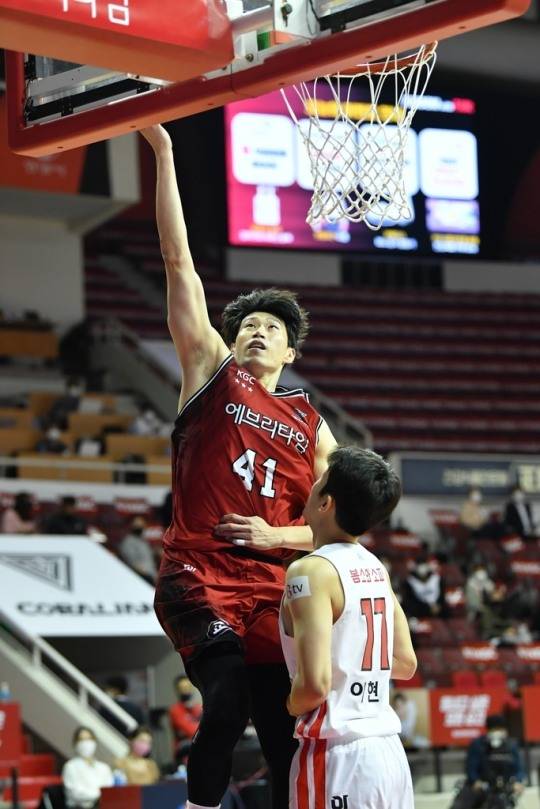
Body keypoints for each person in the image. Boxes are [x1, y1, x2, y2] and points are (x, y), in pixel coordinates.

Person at [142, 123, 337, 809]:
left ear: (289, 352)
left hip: (270, 588)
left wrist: (281, 538)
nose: (255, 330)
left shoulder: (313, 425)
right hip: (197, 572)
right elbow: (176, 260)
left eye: (270, 328)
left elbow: (340, 529)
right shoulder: (211, 372)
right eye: (247, 323)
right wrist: (166, 153)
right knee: (223, 703)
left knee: (286, 732)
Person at [280, 446, 416, 809]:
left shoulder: (309, 571)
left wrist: (289, 706)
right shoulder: (375, 567)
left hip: (337, 755)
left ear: (326, 503)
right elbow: (405, 663)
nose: (311, 485)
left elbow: (314, 687)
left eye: (319, 480)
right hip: (389, 754)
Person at [450, 715, 525, 809]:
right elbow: (471, 767)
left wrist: (518, 781)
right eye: (495, 729)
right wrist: (475, 781)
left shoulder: (511, 746)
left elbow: (519, 768)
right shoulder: (478, 744)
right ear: (489, 730)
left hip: (504, 787)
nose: (498, 732)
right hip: (481, 786)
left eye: (501, 729)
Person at [62, 726, 113, 809]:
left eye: (89, 739)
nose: (86, 743)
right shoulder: (70, 767)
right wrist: (98, 795)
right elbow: (75, 794)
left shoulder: (104, 767)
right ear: (75, 743)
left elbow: (109, 789)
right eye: (81, 739)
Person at [169, 675, 202, 756]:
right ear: (178, 690)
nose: (186, 691)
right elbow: (191, 731)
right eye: (183, 688)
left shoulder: (199, 708)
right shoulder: (175, 710)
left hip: (200, 751)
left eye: (188, 687)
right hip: (184, 754)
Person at [119, 517, 158, 584]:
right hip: (139, 578)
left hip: (150, 577)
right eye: (137, 525)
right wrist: (147, 576)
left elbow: (148, 560)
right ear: (132, 526)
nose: (139, 527)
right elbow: (132, 563)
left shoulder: (143, 541)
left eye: (141, 525)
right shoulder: (128, 542)